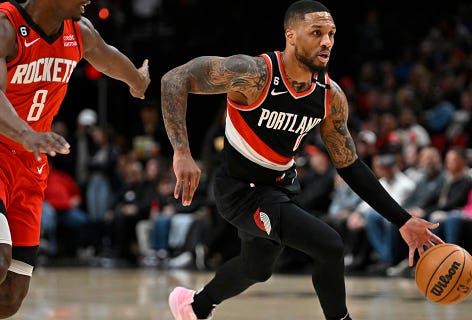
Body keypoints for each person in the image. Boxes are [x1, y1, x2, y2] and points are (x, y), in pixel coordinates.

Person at [161, 1, 442, 319]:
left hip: (280, 188)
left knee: (257, 269)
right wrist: (182, 151)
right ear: (291, 35)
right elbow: (174, 80)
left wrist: (403, 220)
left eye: (332, 34)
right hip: (240, 190)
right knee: (329, 245)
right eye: (317, 32)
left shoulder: (329, 95)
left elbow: (348, 164)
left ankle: (194, 306)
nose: (327, 42)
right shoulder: (253, 74)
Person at [0, 1, 150, 318]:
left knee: (10, 297)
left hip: (30, 167)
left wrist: (136, 80)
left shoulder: (79, 32)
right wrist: (26, 134)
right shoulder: (1, 27)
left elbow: (109, 57)